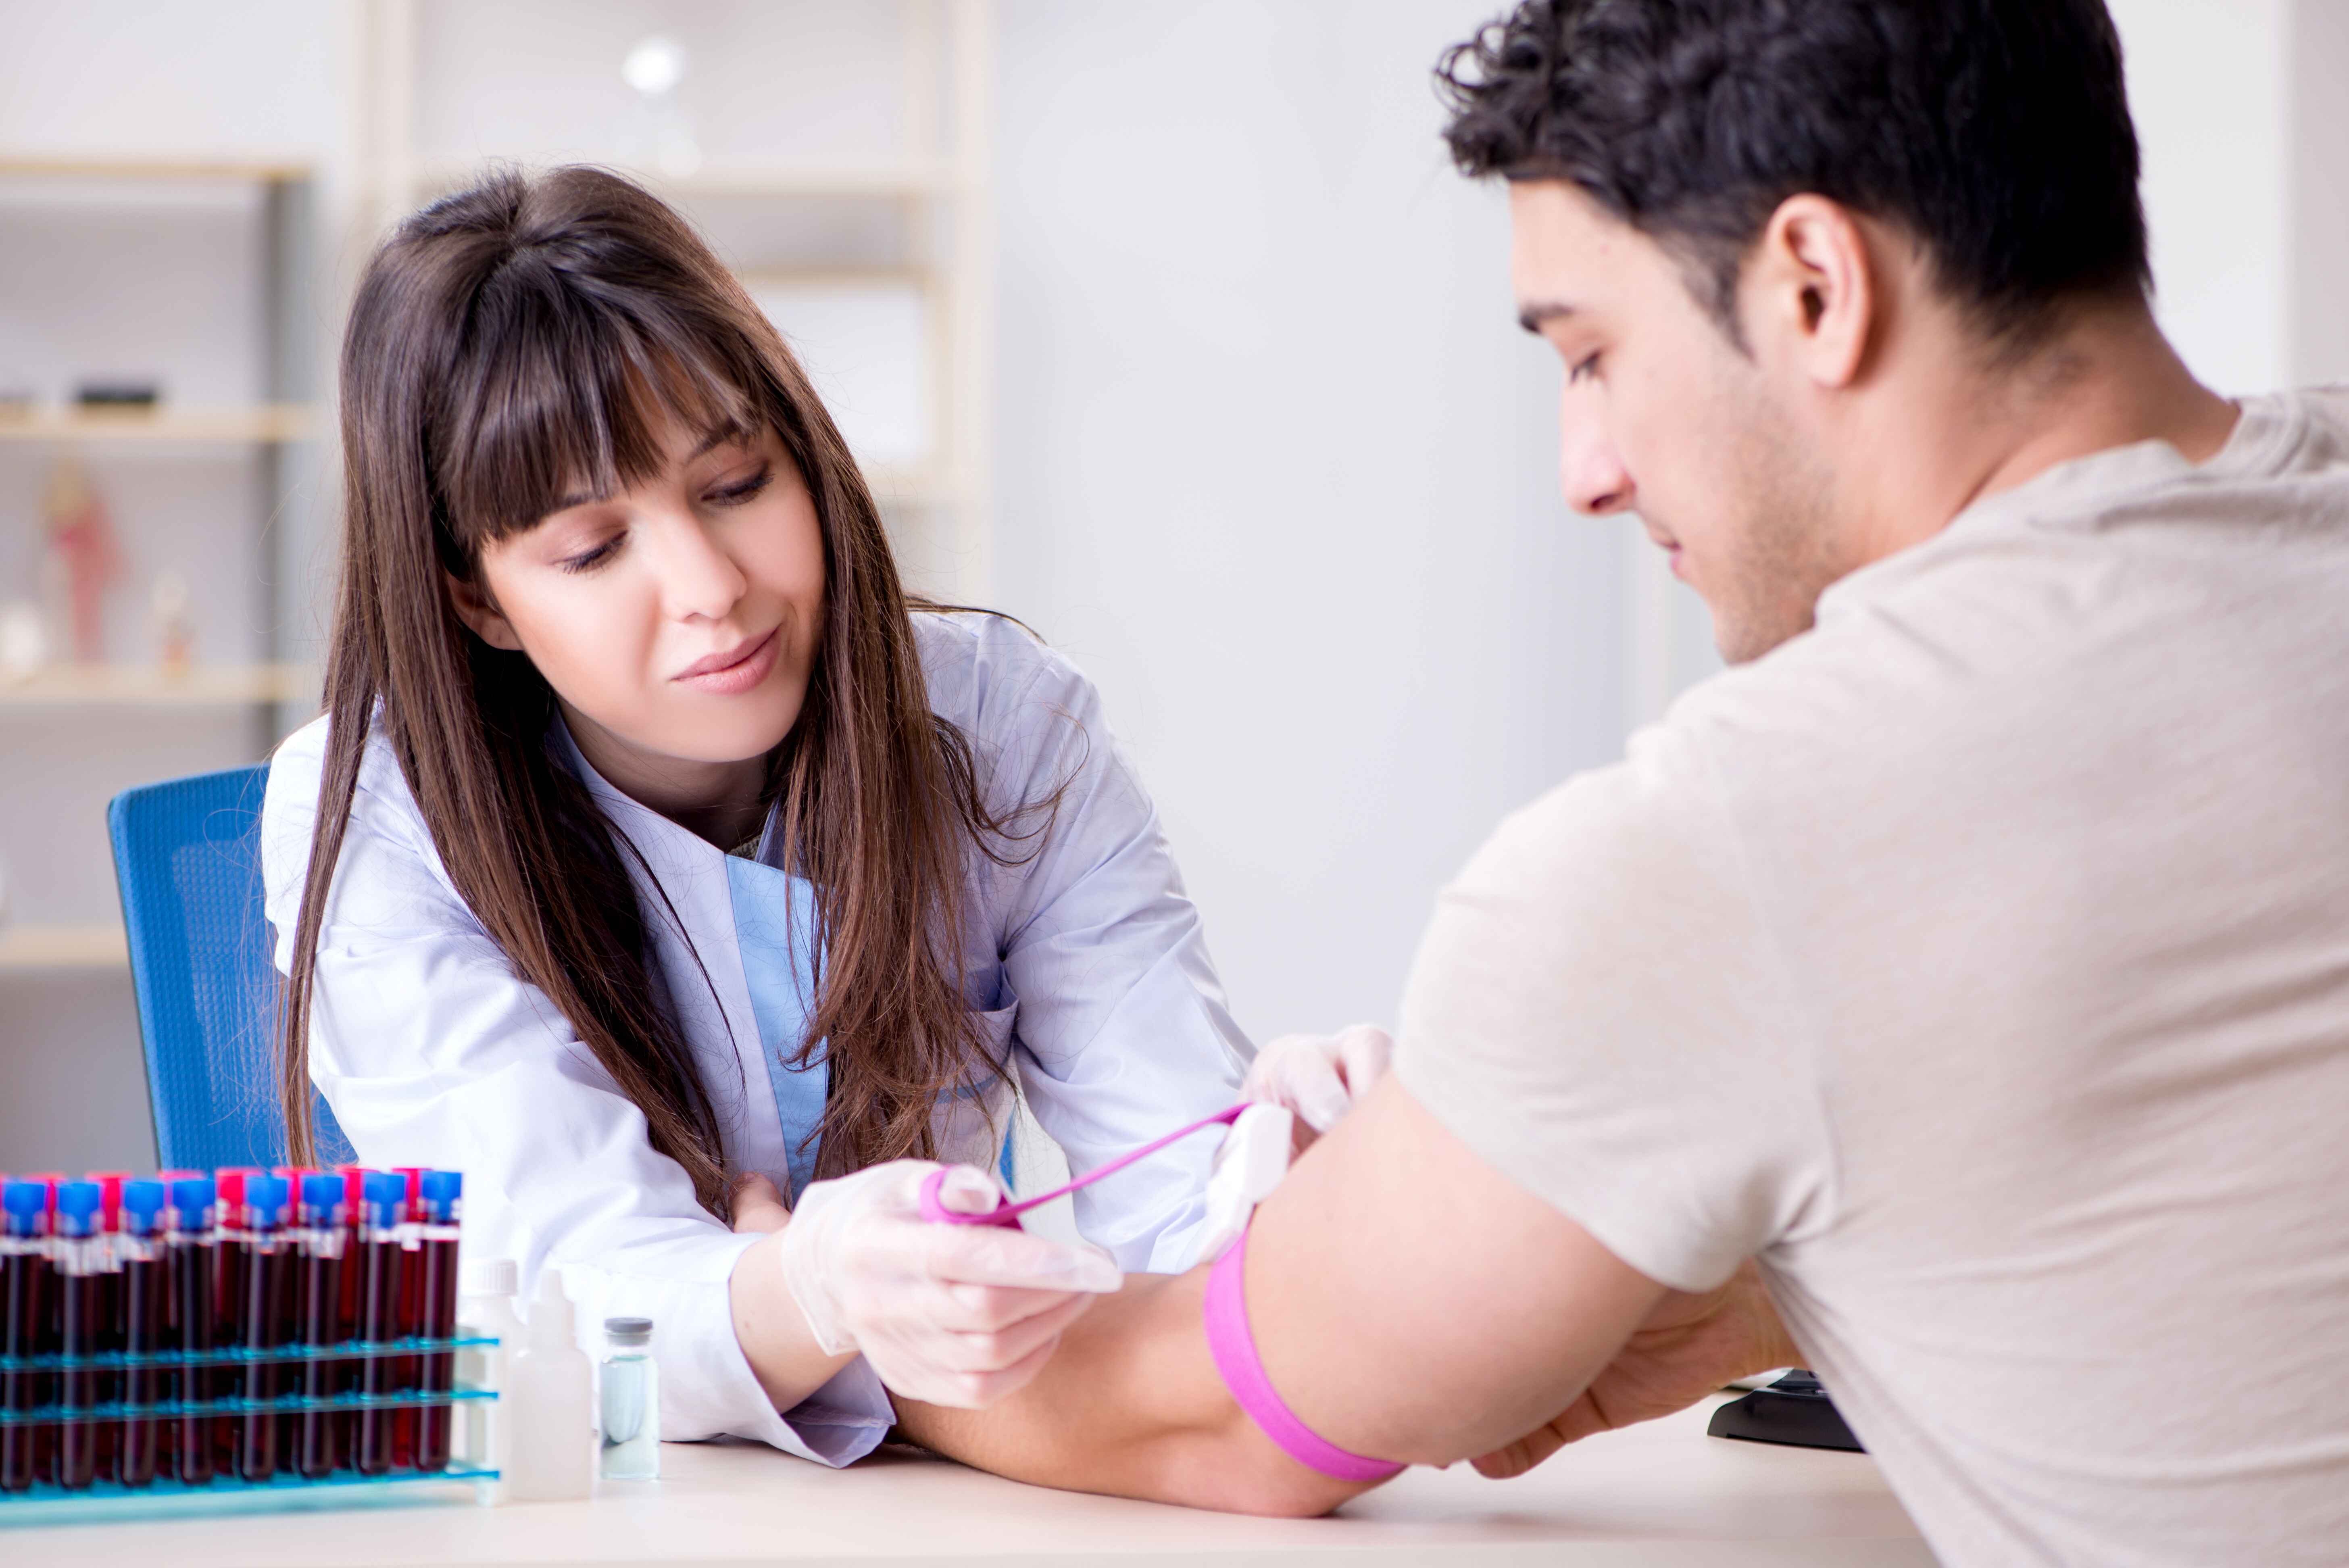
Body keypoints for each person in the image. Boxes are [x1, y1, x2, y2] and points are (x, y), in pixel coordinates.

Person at [864, 3, 2349, 1561]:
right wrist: (1782, 1292)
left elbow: (1213, 1418)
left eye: (1591, 356)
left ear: (1813, 288)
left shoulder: (1738, 843)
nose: (1585, 470)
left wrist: (824, 1315)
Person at [260, 166, 1379, 1468]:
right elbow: (579, 1309)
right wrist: (811, 1289)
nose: (710, 589)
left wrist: (1296, 1179)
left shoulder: (1001, 720)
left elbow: (1180, 1221)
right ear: (481, 602)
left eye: (735, 482)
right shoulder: (384, 813)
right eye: (590, 549)